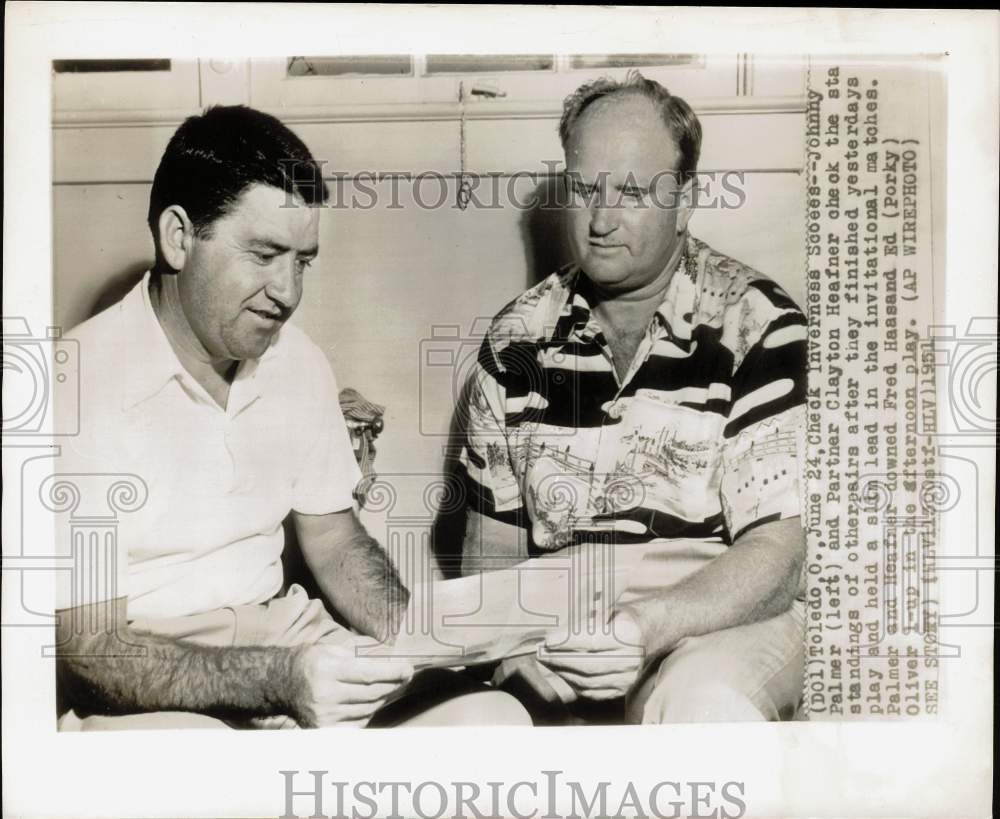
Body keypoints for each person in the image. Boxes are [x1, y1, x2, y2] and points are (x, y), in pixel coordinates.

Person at [54, 105, 528, 730]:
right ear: (178, 237)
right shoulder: (72, 384)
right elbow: (93, 648)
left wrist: (422, 643)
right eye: (265, 254)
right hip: (145, 672)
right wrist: (273, 683)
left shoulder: (296, 362)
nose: (289, 293)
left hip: (285, 634)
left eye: (302, 261)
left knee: (489, 721)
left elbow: (334, 541)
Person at [458, 73, 807, 724]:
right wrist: (511, 652)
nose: (602, 218)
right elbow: (493, 549)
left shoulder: (759, 323)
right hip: (563, 628)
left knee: (702, 705)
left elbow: (779, 554)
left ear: (686, 199)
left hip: (717, 619)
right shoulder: (517, 339)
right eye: (586, 189)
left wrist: (646, 627)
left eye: (635, 191)